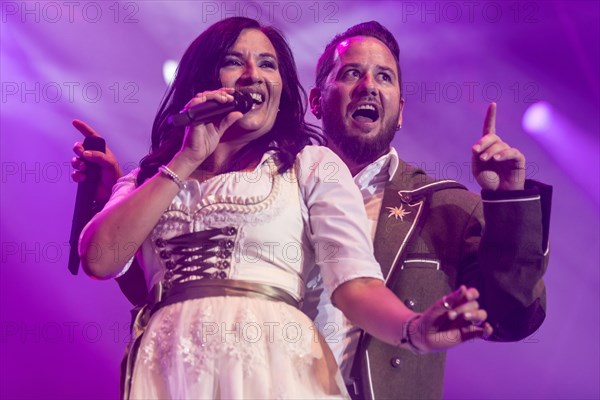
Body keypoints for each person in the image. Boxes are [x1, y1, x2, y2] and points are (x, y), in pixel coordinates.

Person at [76, 17, 492, 400]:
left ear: (281, 89)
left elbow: (355, 285)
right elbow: (99, 260)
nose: (253, 75)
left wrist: (413, 329)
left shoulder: (308, 167)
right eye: (234, 62)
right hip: (168, 367)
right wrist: (185, 159)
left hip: (274, 365)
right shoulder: (150, 177)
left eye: (268, 64)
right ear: (203, 81)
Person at [305, 21, 551, 399]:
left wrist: (507, 202)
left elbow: (513, 318)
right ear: (317, 100)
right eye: (352, 72)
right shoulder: (276, 187)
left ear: (400, 111)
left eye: (384, 76)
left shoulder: (444, 207)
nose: (368, 85)